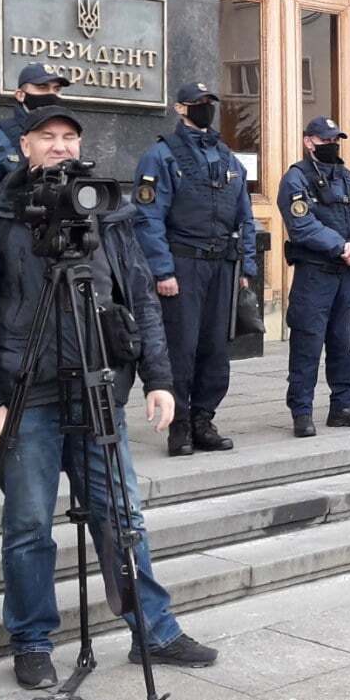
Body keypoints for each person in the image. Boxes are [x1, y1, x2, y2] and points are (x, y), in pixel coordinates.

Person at [0, 104, 217, 688]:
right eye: (47, 136)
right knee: (27, 526)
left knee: (123, 517)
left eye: (70, 136)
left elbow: (142, 298)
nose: (60, 146)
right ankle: (31, 640)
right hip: (28, 396)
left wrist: (160, 380)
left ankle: (154, 629)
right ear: (24, 146)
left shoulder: (110, 212)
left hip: (100, 388)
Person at [132, 81, 258, 456]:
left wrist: (246, 266)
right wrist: (162, 271)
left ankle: (204, 419)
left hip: (222, 266)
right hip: (182, 266)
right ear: (179, 109)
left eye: (209, 102)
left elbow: (245, 217)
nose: (206, 108)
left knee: (215, 349)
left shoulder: (227, 157)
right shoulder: (161, 156)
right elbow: (148, 218)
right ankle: (180, 426)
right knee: (181, 348)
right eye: (197, 103)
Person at [278, 116, 350, 437]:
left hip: (345, 274)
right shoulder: (296, 178)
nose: (332, 145)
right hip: (315, 274)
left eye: (336, 139)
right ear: (309, 141)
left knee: (340, 344)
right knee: (307, 343)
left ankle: (342, 405)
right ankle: (302, 410)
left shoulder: (345, 176)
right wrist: (340, 247)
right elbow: (302, 224)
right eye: (325, 140)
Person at [0, 62, 70, 219]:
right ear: (20, 95)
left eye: (56, 89)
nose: (51, 95)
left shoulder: (67, 140)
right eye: (42, 87)